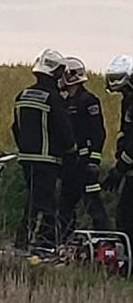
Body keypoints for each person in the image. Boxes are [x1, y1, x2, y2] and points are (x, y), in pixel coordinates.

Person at [13, 48, 76, 250]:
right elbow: (64, 130)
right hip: (48, 160)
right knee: (45, 204)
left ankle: (26, 240)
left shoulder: (22, 95)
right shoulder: (53, 98)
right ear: (56, 72)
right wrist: (71, 152)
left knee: (32, 200)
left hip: (26, 158)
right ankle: (39, 243)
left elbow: (15, 127)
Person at [57, 56, 110, 237]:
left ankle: (106, 240)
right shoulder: (64, 102)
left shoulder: (89, 101)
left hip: (85, 163)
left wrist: (94, 161)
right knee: (64, 206)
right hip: (70, 163)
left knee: (93, 205)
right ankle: (64, 242)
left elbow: (98, 133)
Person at [102, 55, 133, 240]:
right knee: (124, 216)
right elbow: (126, 133)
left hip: (129, 169)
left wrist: (119, 169)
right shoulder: (128, 102)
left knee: (126, 217)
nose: (123, 95)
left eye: (124, 90)